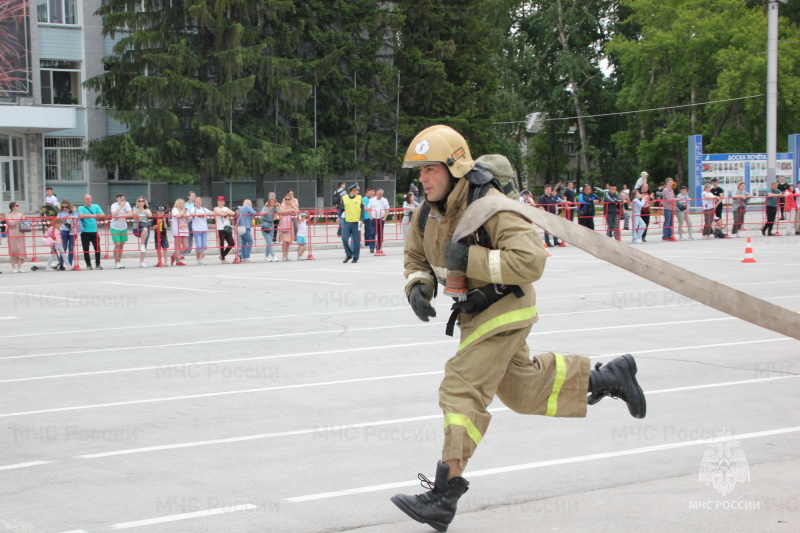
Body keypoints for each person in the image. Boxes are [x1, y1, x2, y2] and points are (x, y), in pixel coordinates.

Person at [392, 125, 645, 532]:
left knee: (460, 387)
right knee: (524, 392)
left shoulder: (489, 205)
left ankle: (445, 493)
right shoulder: (426, 213)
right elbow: (415, 257)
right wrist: (418, 284)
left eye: (430, 170)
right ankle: (607, 377)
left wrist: (469, 258)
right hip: (474, 316)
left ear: (455, 167)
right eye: (419, 172)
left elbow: (532, 262)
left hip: (504, 308)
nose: (422, 179)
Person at [78, 194, 104, 269]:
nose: (89, 200)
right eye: (87, 199)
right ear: (84, 200)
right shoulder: (81, 207)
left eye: (90, 199)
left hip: (94, 231)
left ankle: (98, 264)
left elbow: (103, 214)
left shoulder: (96, 206)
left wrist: (98, 215)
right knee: (86, 249)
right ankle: (88, 264)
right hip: (85, 232)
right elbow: (81, 215)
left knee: (97, 248)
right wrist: (92, 216)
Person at [339, 183, 363, 263]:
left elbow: (362, 209)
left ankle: (355, 257)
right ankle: (348, 254)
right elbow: (341, 209)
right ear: (353, 190)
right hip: (347, 221)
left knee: (356, 241)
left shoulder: (359, 198)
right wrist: (339, 216)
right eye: (357, 190)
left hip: (356, 222)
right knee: (344, 238)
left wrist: (362, 220)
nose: (358, 192)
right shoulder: (344, 198)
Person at [110, 193, 132, 269]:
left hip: (123, 227)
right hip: (115, 227)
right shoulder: (114, 205)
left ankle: (119, 261)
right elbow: (113, 215)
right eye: (120, 198)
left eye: (123, 198)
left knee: (122, 244)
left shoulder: (127, 204)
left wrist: (121, 216)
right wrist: (121, 207)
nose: (122, 200)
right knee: (117, 244)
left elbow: (130, 213)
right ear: (117, 199)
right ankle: (116, 262)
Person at [57, 199, 80, 267]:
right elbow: (57, 220)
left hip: (72, 230)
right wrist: (64, 217)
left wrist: (72, 216)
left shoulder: (73, 211)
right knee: (63, 247)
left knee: (71, 247)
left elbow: (77, 217)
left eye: (66, 207)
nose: (65, 208)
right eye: (63, 207)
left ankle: (69, 264)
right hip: (64, 230)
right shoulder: (60, 213)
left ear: (69, 206)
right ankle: (61, 263)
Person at [6, 201, 28, 272]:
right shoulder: (8, 215)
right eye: (17, 205)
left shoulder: (20, 214)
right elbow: (11, 223)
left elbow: (23, 222)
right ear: (13, 207)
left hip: (20, 233)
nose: (18, 207)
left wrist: (22, 218)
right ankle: (13, 268)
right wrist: (19, 219)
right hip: (12, 233)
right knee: (13, 250)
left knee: (20, 249)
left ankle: (20, 267)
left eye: (18, 205)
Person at [190, 197, 213, 265]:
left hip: (204, 229)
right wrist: (199, 215)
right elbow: (191, 213)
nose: (198, 203)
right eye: (197, 201)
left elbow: (212, 212)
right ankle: (198, 256)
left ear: (201, 202)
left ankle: (200, 258)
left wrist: (206, 214)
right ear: (195, 203)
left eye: (199, 201)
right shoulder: (193, 209)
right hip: (197, 229)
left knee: (203, 245)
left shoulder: (204, 209)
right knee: (199, 245)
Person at [214, 196, 236, 263]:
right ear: (218, 201)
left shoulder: (226, 208)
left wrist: (226, 212)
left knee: (232, 243)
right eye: (220, 201)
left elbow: (233, 213)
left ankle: (223, 255)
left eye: (223, 201)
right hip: (220, 228)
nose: (222, 202)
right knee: (222, 244)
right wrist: (227, 213)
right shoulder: (216, 208)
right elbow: (220, 213)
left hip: (227, 227)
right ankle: (223, 258)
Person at [132, 197, 152, 267]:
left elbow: (150, 215)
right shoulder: (135, 208)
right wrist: (139, 210)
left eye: (142, 201)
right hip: (137, 228)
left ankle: (142, 261)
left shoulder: (147, 209)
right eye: (139, 201)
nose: (141, 202)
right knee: (145, 230)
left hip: (145, 227)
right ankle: (142, 244)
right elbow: (134, 215)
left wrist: (143, 209)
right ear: (137, 202)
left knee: (145, 244)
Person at [369, 188, 390, 253]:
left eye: (381, 194)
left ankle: (378, 247)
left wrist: (385, 217)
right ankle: (371, 247)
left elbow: (387, 209)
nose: (380, 195)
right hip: (373, 219)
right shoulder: (372, 200)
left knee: (380, 234)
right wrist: (371, 216)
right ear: (376, 193)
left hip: (381, 219)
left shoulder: (385, 200)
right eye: (379, 194)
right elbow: (368, 208)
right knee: (372, 233)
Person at [170, 198, 190, 266]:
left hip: (184, 228)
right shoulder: (175, 209)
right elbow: (177, 216)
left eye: (184, 203)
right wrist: (183, 213)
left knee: (186, 246)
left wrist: (186, 215)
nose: (183, 204)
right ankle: (178, 260)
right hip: (177, 229)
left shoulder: (185, 210)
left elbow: (189, 219)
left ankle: (174, 255)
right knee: (178, 245)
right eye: (182, 203)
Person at [260, 197, 279, 262]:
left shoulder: (274, 208)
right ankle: (273, 256)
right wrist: (268, 210)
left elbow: (279, 212)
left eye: (273, 202)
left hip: (271, 225)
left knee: (269, 241)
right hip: (265, 225)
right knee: (269, 241)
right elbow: (261, 213)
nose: (272, 203)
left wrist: (277, 206)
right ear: (269, 202)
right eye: (271, 202)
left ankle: (266, 256)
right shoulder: (265, 207)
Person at [183, 190, 197, 255]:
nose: (194, 197)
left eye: (194, 195)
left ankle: (199, 251)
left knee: (197, 235)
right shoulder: (186, 204)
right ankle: (188, 250)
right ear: (188, 197)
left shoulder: (197, 203)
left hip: (196, 220)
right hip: (188, 220)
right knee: (189, 235)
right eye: (192, 195)